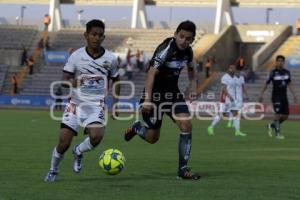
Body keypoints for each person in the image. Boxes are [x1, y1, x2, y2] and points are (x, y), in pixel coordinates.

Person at [44, 19, 120, 182]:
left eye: (100, 35)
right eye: (93, 34)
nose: (96, 38)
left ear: (103, 37)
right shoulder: (76, 56)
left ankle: (78, 151)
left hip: (96, 106)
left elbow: (116, 80)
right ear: (86, 35)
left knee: (96, 137)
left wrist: (115, 104)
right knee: (64, 142)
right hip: (75, 105)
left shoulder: (111, 59)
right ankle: (53, 170)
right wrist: (72, 82)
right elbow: (64, 80)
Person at [124, 20, 200, 180]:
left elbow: (192, 71)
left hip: (173, 95)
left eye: (188, 39)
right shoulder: (166, 49)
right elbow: (151, 73)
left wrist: (193, 88)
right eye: (181, 36)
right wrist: (147, 100)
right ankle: (138, 128)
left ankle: (183, 170)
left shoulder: (188, 52)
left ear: (192, 40)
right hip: (155, 97)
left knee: (186, 125)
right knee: (152, 138)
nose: (184, 41)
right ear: (175, 35)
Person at [258, 55, 297, 139]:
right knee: (278, 114)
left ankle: (271, 125)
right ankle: (277, 134)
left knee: (286, 116)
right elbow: (266, 83)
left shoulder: (287, 72)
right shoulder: (272, 72)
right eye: (278, 60)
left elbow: (289, 84)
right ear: (276, 62)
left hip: (284, 96)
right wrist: (261, 94)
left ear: (284, 62)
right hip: (276, 96)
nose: (280, 62)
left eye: (282, 61)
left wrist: (294, 94)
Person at [207, 65, 247, 137]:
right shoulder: (225, 77)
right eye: (231, 68)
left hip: (232, 99)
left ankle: (237, 131)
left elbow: (237, 88)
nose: (232, 69)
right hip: (225, 98)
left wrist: (235, 97)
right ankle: (211, 127)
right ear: (229, 69)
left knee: (235, 113)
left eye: (234, 68)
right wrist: (229, 96)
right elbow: (224, 89)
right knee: (222, 114)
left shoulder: (234, 78)